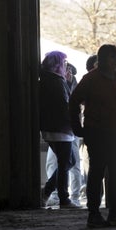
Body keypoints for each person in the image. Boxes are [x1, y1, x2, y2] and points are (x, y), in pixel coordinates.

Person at [70, 44, 116, 228]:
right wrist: (77, 127)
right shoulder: (91, 79)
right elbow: (74, 101)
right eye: (112, 57)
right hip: (98, 132)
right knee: (97, 173)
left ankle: (115, 213)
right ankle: (94, 214)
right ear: (102, 58)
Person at [39, 51, 80, 209]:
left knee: (67, 162)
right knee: (66, 163)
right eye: (63, 63)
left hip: (52, 128)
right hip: (61, 128)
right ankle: (63, 198)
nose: (65, 66)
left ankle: (48, 192)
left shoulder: (47, 80)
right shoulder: (56, 81)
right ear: (57, 64)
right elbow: (65, 104)